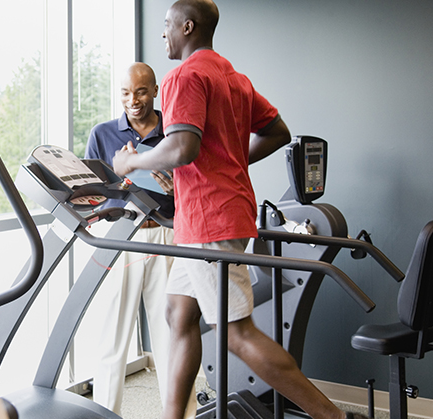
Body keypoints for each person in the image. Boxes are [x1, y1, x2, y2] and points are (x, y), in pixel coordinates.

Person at [112, 2, 367, 419]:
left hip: (209, 220)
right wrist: (227, 162)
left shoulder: (185, 75)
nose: (164, 36)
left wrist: (129, 163)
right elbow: (276, 131)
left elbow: (181, 147)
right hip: (208, 216)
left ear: (187, 26)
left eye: (167, 26)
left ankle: (333, 417)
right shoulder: (232, 77)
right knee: (178, 312)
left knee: (237, 333)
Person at [84, 62, 175, 414]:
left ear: (154, 90)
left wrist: (174, 186)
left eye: (140, 91)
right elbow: (93, 189)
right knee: (112, 336)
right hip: (121, 236)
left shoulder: (175, 132)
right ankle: (106, 412)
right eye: (125, 92)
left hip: (166, 235)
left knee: (171, 335)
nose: (133, 100)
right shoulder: (103, 133)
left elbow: (195, 185)